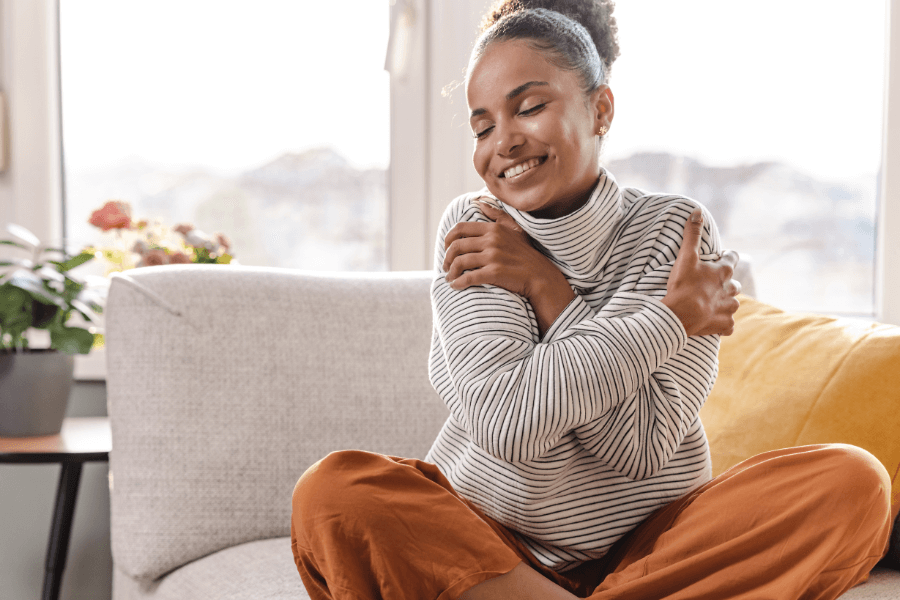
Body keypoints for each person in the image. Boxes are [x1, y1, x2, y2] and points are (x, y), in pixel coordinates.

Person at [291, 1, 894, 598]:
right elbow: (508, 424)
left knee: (853, 483)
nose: (503, 141)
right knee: (334, 495)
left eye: (528, 107)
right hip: (491, 547)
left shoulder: (674, 232)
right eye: (482, 126)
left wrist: (550, 290)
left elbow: (641, 448)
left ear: (600, 108)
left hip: (650, 548)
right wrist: (669, 321)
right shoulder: (475, 227)